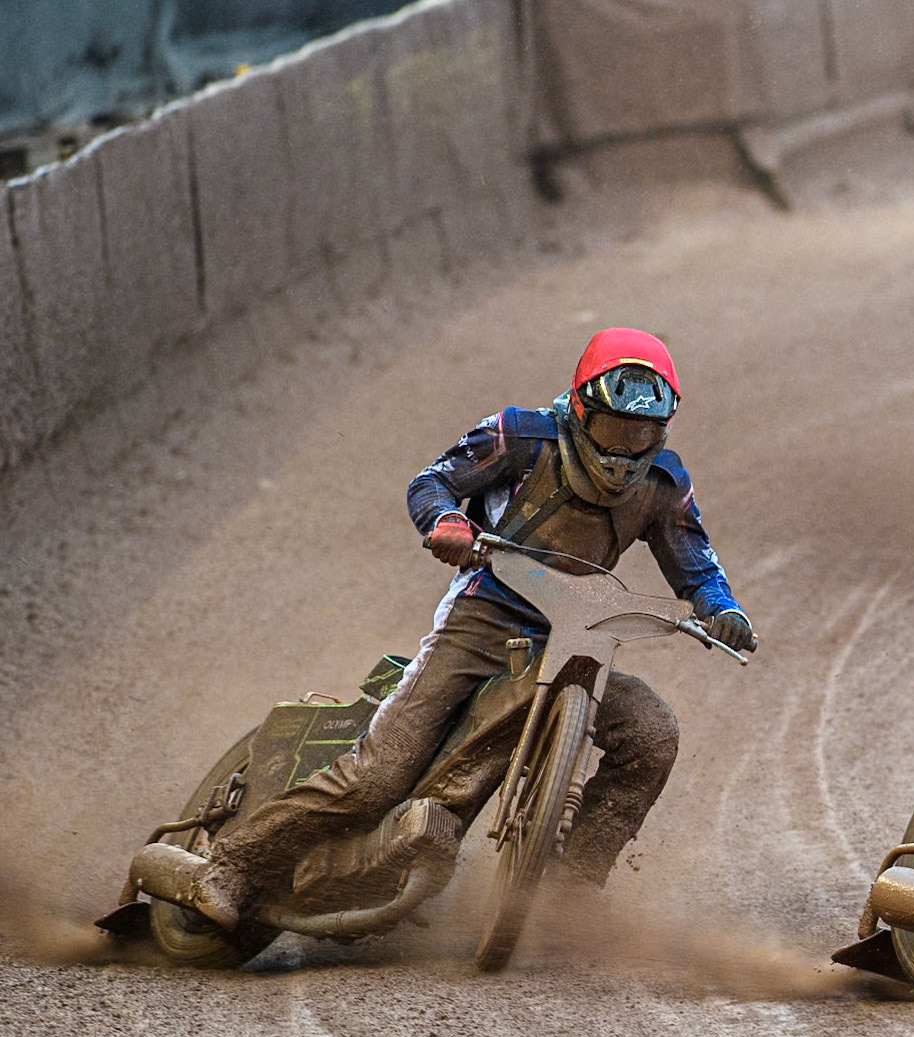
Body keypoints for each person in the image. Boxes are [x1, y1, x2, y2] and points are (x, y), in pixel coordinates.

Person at [185, 327, 756, 928]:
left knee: (651, 733)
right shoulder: (519, 435)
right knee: (379, 776)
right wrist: (445, 521)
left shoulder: (664, 484)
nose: (625, 449)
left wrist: (725, 610)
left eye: (641, 435)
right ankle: (232, 865)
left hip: (577, 640)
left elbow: (697, 566)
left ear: (661, 432)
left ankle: (572, 894)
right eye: (614, 428)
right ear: (582, 408)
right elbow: (432, 481)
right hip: (480, 622)